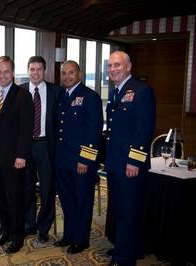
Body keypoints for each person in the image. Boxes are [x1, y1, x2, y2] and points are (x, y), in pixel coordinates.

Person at [105, 51, 156, 266]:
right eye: (110, 66)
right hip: (116, 163)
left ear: (129, 67)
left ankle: (124, 259)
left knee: (128, 211)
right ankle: (127, 248)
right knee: (120, 209)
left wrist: (134, 161)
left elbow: (144, 130)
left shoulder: (142, 91)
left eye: (117, 65)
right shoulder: (116, 91)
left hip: (130, 165)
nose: (113, 69)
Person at [54, 60, 103, 254]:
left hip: (81, 162)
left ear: (79, 74)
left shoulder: (90, 96)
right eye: (64, 73)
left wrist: (86, 159)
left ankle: (81, 240)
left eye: (71, 72)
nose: (67, 76)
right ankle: (69, 235)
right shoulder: (61, 96)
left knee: (82, 200)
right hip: (62, 160)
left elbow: (94, 131)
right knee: (67, 200)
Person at [0, 56, 34, 254]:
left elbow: (27, 128)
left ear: (13, 73)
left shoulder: (23, 95)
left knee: (14, 198)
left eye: (6, 71)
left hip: (15, 158)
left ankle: (17, 236)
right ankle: (5, 230)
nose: (2, 75)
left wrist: (21, 155)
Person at [20, 56, 60, 242]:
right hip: (25, 147)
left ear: (45, 71)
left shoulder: (55, 91)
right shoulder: (19, 91)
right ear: (27, 70)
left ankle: (43, 227)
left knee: (47, 189)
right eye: (32, 69)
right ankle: (29, 224)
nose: (35, 73)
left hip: (46, 146)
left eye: (39, 69)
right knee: (26, 188)